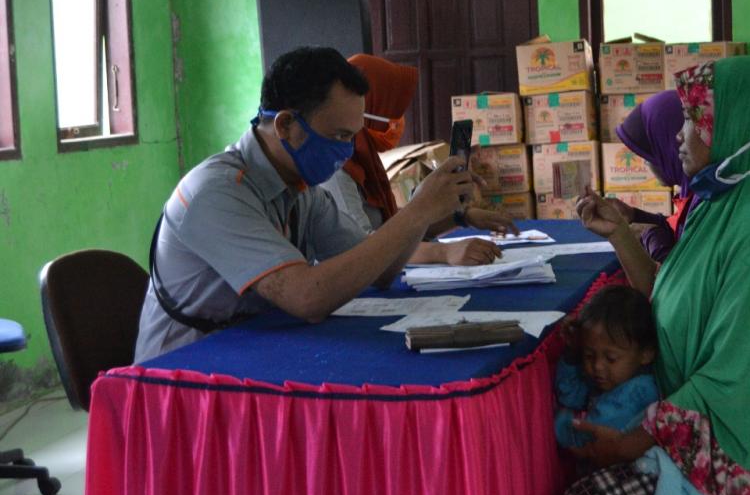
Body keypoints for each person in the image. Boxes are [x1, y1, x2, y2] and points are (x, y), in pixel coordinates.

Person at [562, 56, 750, 495]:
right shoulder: (722, 201)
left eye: (693, 119)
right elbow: (668, 295)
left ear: (733, 126)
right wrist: (618, 233)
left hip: (747, 451)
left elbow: (730, 378)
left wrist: (633, 442)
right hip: (704, 417)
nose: (679, 135)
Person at [134, 47, 475, 362]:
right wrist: (416, 213)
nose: (346, 151)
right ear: (285, 125)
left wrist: (425, 212)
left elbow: (382, 271)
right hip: (179, 378)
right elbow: (307, 298)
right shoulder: (215, 193)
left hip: (254, 351)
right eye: (339, 136)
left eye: (353, 137)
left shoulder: (300, 188)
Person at [320, 53, 518, 266]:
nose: (398, 122)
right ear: (367, 107)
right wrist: (444, 252)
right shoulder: (337, 170)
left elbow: (393, 227)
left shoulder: (366, 163)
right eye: (392, 111)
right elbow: (363, 251)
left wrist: (462, 217)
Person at [554, 285, 659, 450]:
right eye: (589, 356)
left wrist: (555, 422)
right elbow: (571, 396)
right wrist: (572, 353)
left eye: (611, 359)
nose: (597, 366)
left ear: (646, 353)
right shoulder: (617, 380)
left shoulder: (639, 391)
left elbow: (584, 437)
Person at [609, 90, 697, 263]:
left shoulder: (706, 199)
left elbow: (674, 272)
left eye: (647, 156)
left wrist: (649, 235)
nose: (645, 164)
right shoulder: (694, 192)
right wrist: (634, 215)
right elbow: (676, 226)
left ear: (668, 148)